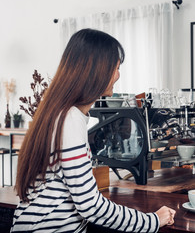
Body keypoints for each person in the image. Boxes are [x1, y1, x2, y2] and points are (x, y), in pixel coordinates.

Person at [12, 28, 175, 232]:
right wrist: (152, 221)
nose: (118, 75)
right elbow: (90, 206)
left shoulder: (58, 113)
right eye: (115, 67)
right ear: (97, 70)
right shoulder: (69, 119)